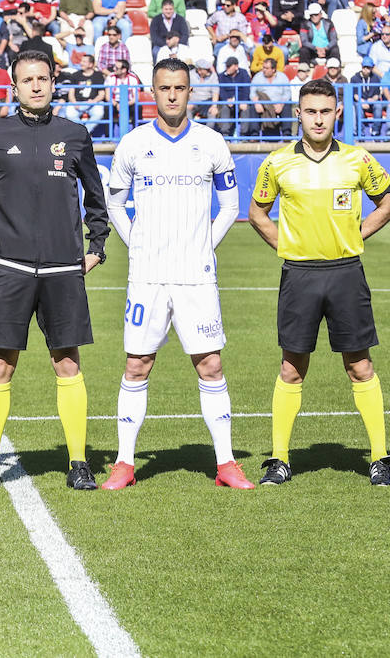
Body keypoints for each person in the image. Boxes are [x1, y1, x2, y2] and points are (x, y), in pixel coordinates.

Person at [0, 50, 109, 493]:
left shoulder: (75, 135)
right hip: (9, 267)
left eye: (43, 78)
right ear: (14, 86)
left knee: (67, 362)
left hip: (63, 270)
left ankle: (78, 462)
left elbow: (96, 198)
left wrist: (97, 247)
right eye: (27, 80)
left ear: (53, 83)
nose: (36, 86)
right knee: (0, 365)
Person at [100, 57, 251, 490]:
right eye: (164, 88)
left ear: (189, 91)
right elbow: (114, 204)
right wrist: (136, 243)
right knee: (137, 365)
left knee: (210, 364)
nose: (171, 95)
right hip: (147, 276)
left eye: (179, 88)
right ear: (153, 91)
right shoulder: (133, 143)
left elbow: (230, 207)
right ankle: (124, 464)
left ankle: (226, 464)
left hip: (196, 277)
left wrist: (204, 245)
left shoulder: (211, 143)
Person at [248, 78, 390, 487]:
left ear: (338, 113)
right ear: (298, 114)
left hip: (346, 273)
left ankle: (379, 458)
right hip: (299, 275)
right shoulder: (277, 162)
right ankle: (280, 459)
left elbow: (388, 204)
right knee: (291, 368)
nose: (318, 119)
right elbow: (257, 214)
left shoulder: (357, 159)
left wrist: (355, 235)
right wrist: (287, 245)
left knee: (360, 366)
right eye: (311, 111)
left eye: (325, 111)